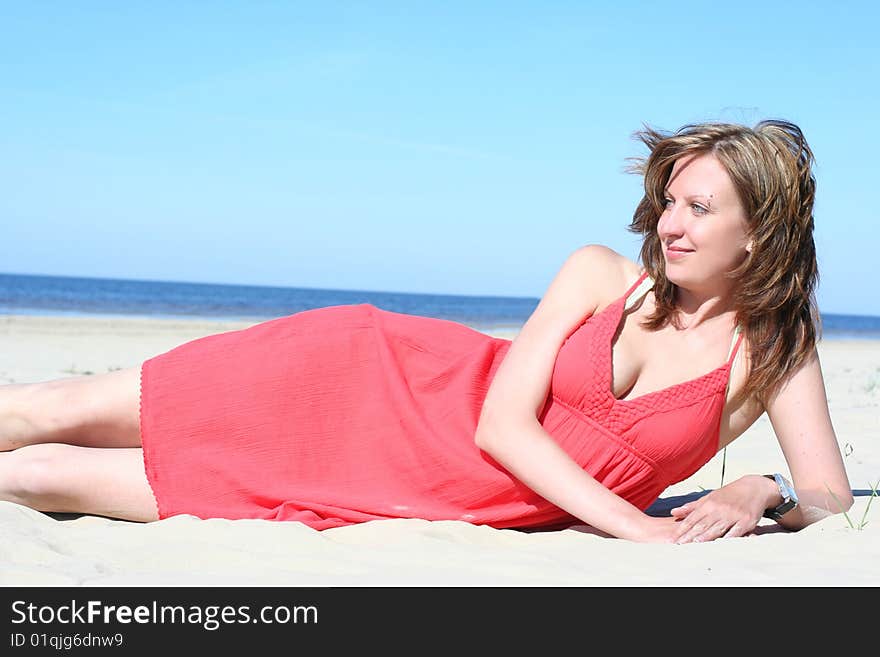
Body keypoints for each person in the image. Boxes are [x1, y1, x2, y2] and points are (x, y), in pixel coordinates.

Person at [0, 118, 854, 544]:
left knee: (44, 478)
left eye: (698, 207)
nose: (669, 222)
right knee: (45, 410)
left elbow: (831, 499)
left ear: (761, 230)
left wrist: (759, 490)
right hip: (369, 382)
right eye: (669, 199)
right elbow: (500, 423)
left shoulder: (772, 349)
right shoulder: (602, 274)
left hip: (411, 493)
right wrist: (644, 530)